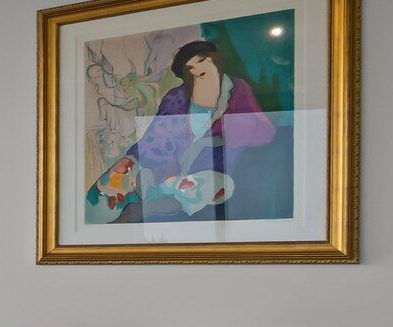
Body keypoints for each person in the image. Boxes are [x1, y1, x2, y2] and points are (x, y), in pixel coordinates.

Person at [88, 40, 274, 220]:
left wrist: (216, 133)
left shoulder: (237, 89)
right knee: (114, 181)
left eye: (201, 60)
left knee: (209, 187)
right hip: (168, 156)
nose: (199, 70)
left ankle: (154, 206)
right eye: (190, 68)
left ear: (214, 60)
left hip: (213, 158)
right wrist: (137, 159)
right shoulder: (176, 96)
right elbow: (156, 135)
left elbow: (261, 131)